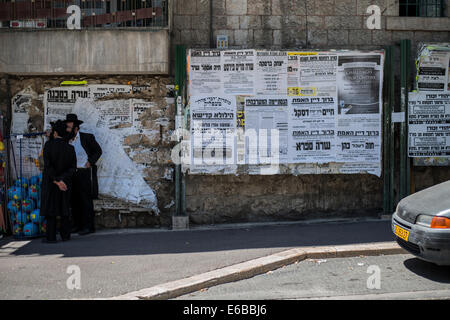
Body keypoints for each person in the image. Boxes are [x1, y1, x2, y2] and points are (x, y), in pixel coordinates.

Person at [64, 114, 102, 235]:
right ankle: (77, 225)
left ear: (76, 128)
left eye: (70, 128)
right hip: (71, 173)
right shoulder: (65, 139)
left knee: (85, 200)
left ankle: (88, 227)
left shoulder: (87, 137)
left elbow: (98, 151)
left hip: (84, 172)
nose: (68, 130)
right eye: (67, 127)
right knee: (73, 200)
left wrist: (90, 162)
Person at [40, 120, 77, 243]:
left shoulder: (48, 146)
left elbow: (48, 166)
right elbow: (73, 168)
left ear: (55, 133)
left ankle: (50, 237)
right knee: (64, 208)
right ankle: (65, 236)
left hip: (51, 183)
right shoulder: (70, 148)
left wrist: (56, 180)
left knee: (51, 210)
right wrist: (62, 180)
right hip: (65, 183)